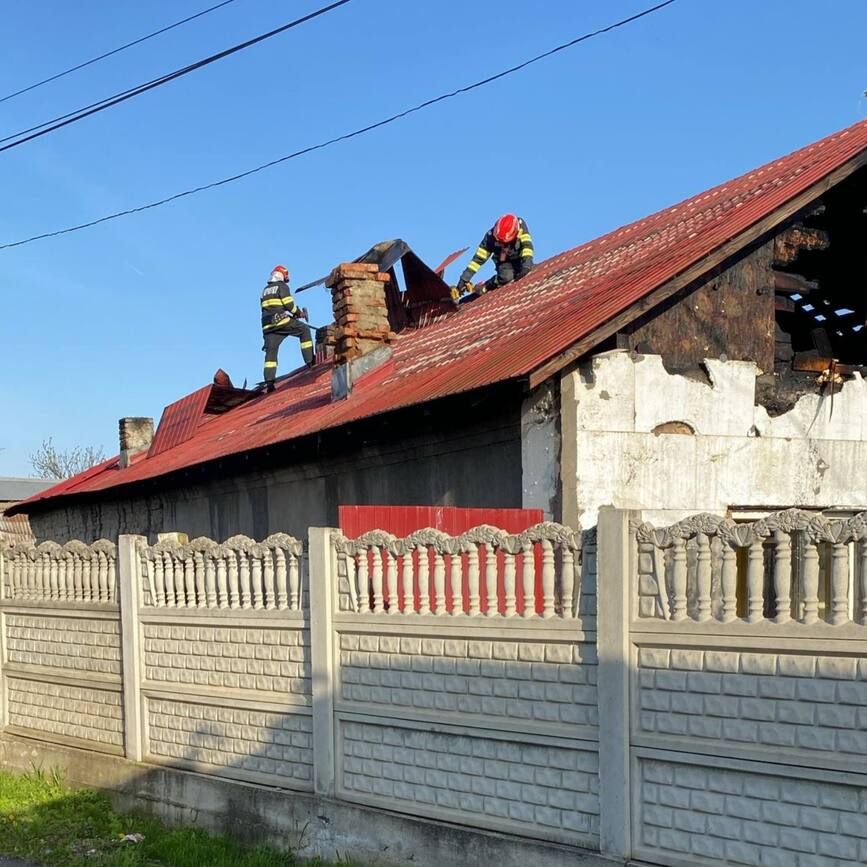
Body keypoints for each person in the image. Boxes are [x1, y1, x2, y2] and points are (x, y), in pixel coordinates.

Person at [453, 214, 534, 300]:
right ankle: (487, 285)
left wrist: (527, 265)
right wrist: (464, 279)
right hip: (504, 262)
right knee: (506, 277)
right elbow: (477, 260)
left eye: (505, 243)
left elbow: (527, 247)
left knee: (523, 270)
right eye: (500, 241)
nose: (503, 244)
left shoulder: (520, 227)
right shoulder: (490, 237)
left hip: (519, 257)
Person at [260, 265, 314, 391]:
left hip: (268, 327)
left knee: (270, 355)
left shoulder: (265, 290)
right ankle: (311, 362)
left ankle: (269, 384)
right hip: (281, 322)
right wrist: (298, 313)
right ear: (282, 275)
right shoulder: (282, 286)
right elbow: (288, 304)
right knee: (304, 330)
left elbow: (267, 310)